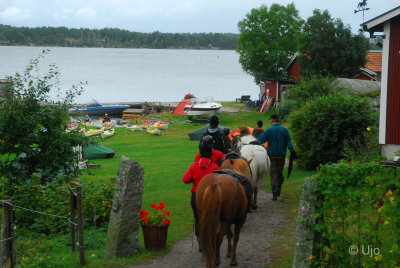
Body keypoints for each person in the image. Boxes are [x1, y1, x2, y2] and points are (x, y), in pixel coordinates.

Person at [182, 135, 220, 251]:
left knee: (198, 218)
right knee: (212, 218)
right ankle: (212, 240)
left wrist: (194, 179)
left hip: (196, 195)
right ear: (210, 154)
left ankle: (201, 244)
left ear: (200, 153)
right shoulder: (214, 167)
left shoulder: (193, 166)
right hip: (211, 196)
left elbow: (185, 179)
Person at [257, 114, 295, 201]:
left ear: (271, 120)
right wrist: (292, 150)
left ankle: (274, 195)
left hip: (272, 156)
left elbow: (259, 140)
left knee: (273, 173)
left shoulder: (269, 130)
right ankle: (278, 191)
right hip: (281, 156)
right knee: (280, 172)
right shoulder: (285, 130)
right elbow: (289, 142)